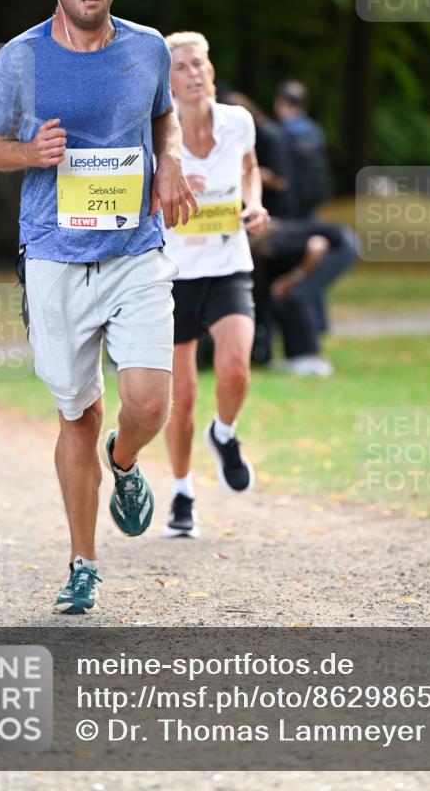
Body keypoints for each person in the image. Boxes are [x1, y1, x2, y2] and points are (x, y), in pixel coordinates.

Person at [0, 0, 197, 614]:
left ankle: (124, 460)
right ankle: (82, 564)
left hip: (135, 250)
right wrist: (27, 153)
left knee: (150, 401)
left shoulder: (148, 47)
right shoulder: (22, 57)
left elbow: (164, 116)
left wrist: (171, 161)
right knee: (77, 414)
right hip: (54, 257)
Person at [161, 32, 269, 539]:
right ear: (167, 81)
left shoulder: (238, 121)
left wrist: (255, 203)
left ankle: (223, 433)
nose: (194, 73)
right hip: (174, 273)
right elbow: (139, 198)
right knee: (181, 396)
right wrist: (172, 189)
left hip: (228, 264)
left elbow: (250, 168)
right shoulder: (157, 134)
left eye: (200, 63)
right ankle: (182, 493)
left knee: (235, 368)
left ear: (212, 70)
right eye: (182, 67)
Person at [250, 218, 360, 376]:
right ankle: (295, 357)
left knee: (298, 296)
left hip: (342, 245)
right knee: (283, 298)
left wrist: (293, 278)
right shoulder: (267, 251)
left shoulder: (276, 243)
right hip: (334, 244)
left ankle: (312, 361)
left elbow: (317, 245)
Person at [274, 80, 332, 219]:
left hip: (288, 203)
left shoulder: (281, 132)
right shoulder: (316, 130)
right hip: (314, 199)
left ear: (283, 103)